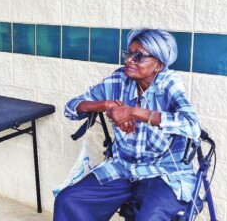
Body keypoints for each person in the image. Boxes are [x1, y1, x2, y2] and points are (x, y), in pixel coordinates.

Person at [54, 28, 201, 221]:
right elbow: (71, 108)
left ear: (158, 65)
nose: (129, 60)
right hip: (123, 167)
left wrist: (134, 112)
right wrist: (105, 104)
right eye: (129, 53)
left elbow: (192, 126)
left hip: (163, 172)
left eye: (138, 56)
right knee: (68, 200)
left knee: (148, 218)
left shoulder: (168, 84)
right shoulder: (119, 80)